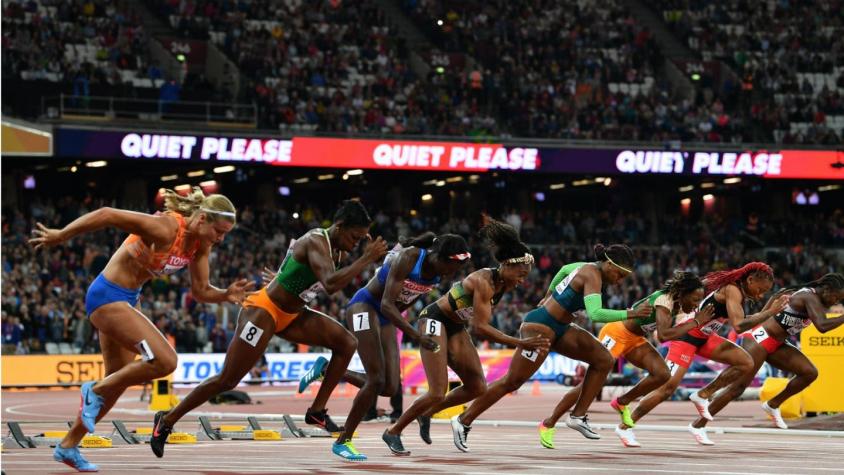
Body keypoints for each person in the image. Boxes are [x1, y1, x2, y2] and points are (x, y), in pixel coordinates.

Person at [29, 188, 252, 472]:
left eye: (225, 235)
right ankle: (93, 390)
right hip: (107, 295)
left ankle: (68, 446)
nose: (220, 239)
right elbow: (107, 214)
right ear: (201, 219)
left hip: (128, 299)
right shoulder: (166, 227)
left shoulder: (200, 245)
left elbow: (201, 290)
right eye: (218, 231)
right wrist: (61, 235)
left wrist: (225, 294)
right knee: (166, 361)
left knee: (117, 381)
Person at [149, 200, 388, 458]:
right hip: (264, 312)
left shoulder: (339, 249)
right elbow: (330, 284)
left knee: (346, 343)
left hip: (294, 314)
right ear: (339, 226)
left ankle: (316, 411)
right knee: (227, 380)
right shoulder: (317, 240)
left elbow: (297, 265)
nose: (356, 244)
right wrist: (367, 258)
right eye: (354, 237)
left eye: (361, 239)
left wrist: (282, 276)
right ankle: (167, 420)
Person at [450, 244, 651, 452]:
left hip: (561, 328)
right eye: (619, 274)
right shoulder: (592, 273)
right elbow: (596, 314)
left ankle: (577, 416)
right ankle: (463, 420)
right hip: (540, 327)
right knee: (512, 381)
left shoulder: (585, 267)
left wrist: (548, 294)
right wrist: (631, 314)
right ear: (608, 264)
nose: (619, 281)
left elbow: (564, 270)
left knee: (604, 360)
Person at [381, 216, 549, 456]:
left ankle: (427, 413)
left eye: (526, 276)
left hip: (455, 325)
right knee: (437, 391)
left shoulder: (504, 284)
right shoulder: (484, 282)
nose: (522, 281)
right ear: (506, 266)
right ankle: (393, 431)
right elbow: (480, 328)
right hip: (434, 319)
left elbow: (475, 323)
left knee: (477, 387)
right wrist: (520, 343)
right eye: (520, 275)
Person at [309, 232, 471, 461]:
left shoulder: (436, 274)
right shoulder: (410, 257)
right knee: (376, 380)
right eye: (454, 267)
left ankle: (327, 370)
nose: (453, 273)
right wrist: (415, 335)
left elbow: (405, 302)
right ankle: (343, 441)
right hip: (365, 306)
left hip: (386, 316)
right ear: (442, 257)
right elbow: (386, 303)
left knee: (389, 387)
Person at [537, 271, 715, 448]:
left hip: (635, 339)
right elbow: (663, 336)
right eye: (695, 300)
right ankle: (548, 423)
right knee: (590, 383)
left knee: (662, 374)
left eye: (699, 300)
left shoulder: (679, 300)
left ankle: (622, 402)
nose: (696, 305)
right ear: (682, 293)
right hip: (616, 333)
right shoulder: (664, 301)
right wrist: (696, 322)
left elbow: (701, 284)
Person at [631, 262, 788, 446]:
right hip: (687, 337)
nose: (760, 295)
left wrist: (769, 311)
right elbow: (739, 326)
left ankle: (703, 394)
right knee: (666, 389)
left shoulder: (738, 291)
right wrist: (771, 312)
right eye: (760, 290)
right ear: (750, 280)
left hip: (706, 337)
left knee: (746, 362)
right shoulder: (732, 289)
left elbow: (745, 319)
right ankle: (626, 425)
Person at [716, 273, 844, 430]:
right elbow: (822, 326)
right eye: (836, 297)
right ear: (827, 289)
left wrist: (765, 313)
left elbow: (776, 296)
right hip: (760, 339)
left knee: (809, 373)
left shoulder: (813, 298)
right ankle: (699, 424)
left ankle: (773, 404)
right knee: (738, 388)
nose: (835, 302)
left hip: (777, 343)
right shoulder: (809, 297)